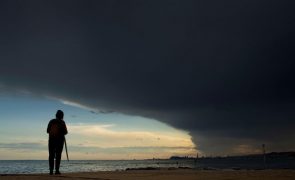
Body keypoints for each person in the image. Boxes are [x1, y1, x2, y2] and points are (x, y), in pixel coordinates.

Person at [47, 110, 68, 175]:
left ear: (56, 115)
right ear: (62, 116)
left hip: (51, 140)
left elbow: (47, 131)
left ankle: (51, 170)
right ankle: (57, 170)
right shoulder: (62, 122)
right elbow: (65, 132)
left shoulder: (51, 121)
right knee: (58, 155)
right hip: (59, 141)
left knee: (51, 155)